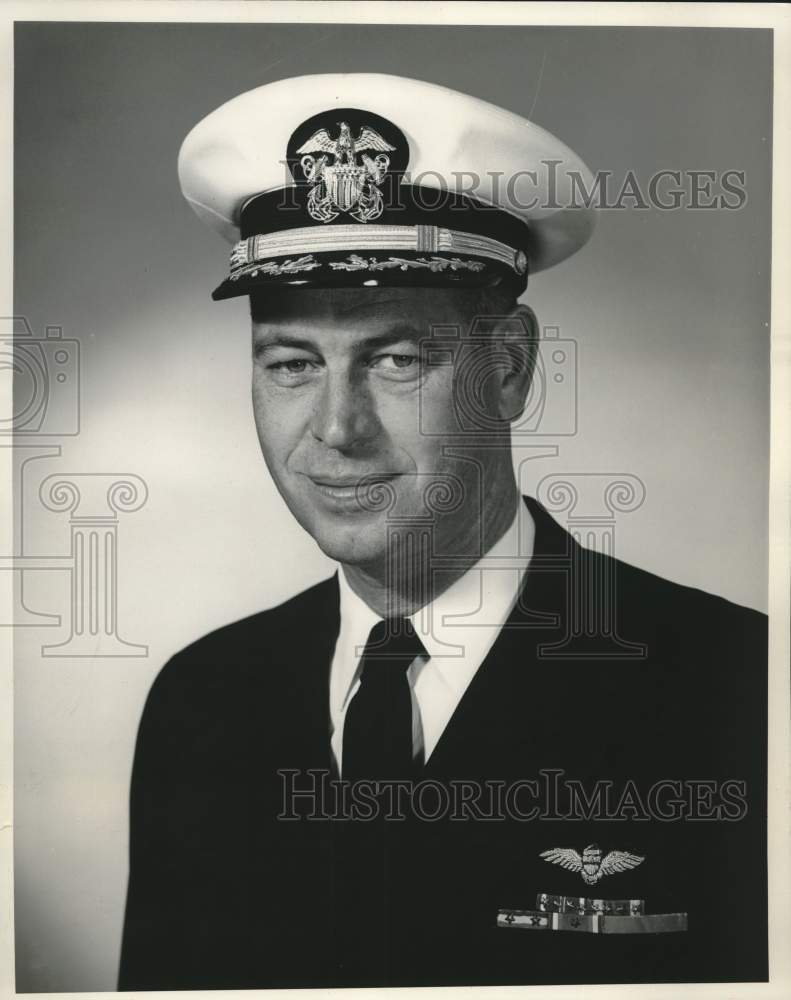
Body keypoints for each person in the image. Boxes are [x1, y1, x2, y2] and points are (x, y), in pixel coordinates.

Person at [118, 74, 767, 990]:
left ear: (508, 369)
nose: (336, 429)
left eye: (396, 359)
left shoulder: (736, 687)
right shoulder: (202, 701)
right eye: (293, 364)